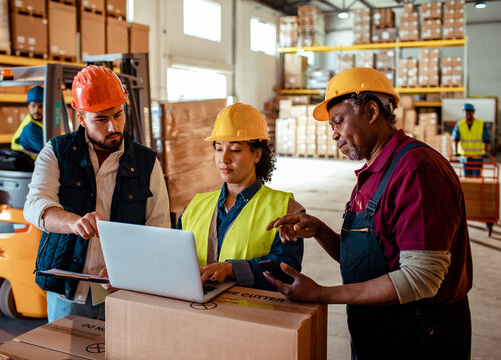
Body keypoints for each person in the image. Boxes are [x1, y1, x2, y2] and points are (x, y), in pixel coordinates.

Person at [265, 68, 472, 360]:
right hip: (378, 329)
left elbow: (421, 278)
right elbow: (370, 261)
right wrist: (320, 231)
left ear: (372, 111)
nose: (334, 134)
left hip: (419, 335)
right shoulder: (375, 173)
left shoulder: (416, 170)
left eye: (338, 121)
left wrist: (322, 294)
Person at [24, 65, 171, 322]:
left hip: (123, 291)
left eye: (118, 115)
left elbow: (159, 228)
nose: (113, 126)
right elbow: (35, 205)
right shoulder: (57, 152)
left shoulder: (147, 162)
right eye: (101, 119)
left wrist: (131, 270)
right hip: (68, 291)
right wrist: (73, 222)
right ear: (81, 118)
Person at [177, 103, 304, 290]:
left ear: (257, 155)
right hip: (197, 308)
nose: (224, 158)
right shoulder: (195, 207)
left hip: (251, 312)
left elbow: (287, 268)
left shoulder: (285, 209)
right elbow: (175, 256)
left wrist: (232, 269)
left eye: (235, 150)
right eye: (219, 148)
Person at [452, 102, 491, 176]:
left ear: (473, 112)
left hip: (477, 157)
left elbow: (487, 139)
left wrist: (487, 152)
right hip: (464, 157)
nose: (467, 113)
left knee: (477, 177)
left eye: (469, 111)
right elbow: (455, 139)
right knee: (466, 177)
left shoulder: (481, 124)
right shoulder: (459, 124)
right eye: (465, 111)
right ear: (463, 112)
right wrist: (455, 151)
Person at [11, 86, 44, 159]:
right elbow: (47, 151)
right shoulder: (31, 127)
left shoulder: (38, 123)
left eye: (40, 106)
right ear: (28, 107)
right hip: (34, 168)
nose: (36, 110)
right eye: (33, 106)